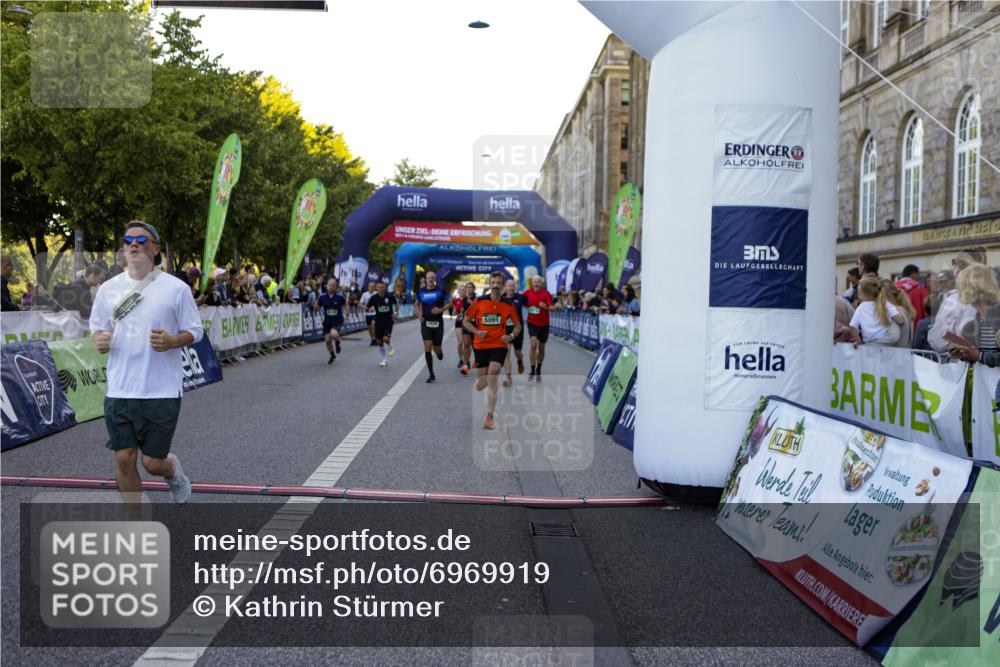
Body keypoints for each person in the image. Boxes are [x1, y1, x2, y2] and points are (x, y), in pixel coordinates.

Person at [89, 221, 202, 515]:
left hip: (161, 389)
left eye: (141, 239)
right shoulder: (107, 289)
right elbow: (98, 328)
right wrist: (99, 340)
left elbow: (196, 331)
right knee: (124, 459)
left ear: (155, 249)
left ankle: (172, 471)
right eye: (128, 240)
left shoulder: (176, 289)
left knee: (152, 463)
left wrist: (174, 340)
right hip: (120, 389)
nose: (133, 244)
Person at [464, 272, 521, 430]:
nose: (496, 286)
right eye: (493, 283)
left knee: (494, 373)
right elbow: (466, 321)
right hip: (481, 345)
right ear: (490, 284)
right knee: (483, 382)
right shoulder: (479, 302)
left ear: (502, 286)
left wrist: (510, 335)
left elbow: (518, 326)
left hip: (499, 344)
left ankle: (489, 416)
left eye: (498, 283)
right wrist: (476, 332)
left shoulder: (509, 305)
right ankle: (482, 381)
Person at [948, 264, 1000, 364]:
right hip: (985, 378)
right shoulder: (978, 318)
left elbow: (982, 356)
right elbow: (982, 356)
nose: (958, 292)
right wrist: (963, 353)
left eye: (961, 287)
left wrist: (980, 356)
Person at [928, 263, 977, 353]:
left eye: (944, 281)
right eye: (940, 282)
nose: (942, 284)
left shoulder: (954, 298)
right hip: (962, 352)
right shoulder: (940, 296)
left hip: (961, 354)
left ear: (952, 280)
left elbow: (938, 338)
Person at [849, 275, 906, 345]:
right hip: (889, 338)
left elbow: (852, 326)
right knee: (893, 323)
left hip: (870, 342)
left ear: (862, 294)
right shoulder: (884, 303)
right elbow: (900, 321)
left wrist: (858, 341)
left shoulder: (861, 307)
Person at [415, 270, 448, 383]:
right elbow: (417, 303)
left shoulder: (441, 290)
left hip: (438, 323)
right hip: (426, 322)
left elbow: (451, 302)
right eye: (428, 277)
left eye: (432, 278)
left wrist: (441, 309)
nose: (430, 280)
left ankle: (439, 352)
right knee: (427, 345)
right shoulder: (421, 291)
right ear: (426, 279)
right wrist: (419, 314)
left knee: (437, 347)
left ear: (435, 279)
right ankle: (431, 374)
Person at [523, 274, 554, 382]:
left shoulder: (546, 294)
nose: (536, 283)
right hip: (532, 323)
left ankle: (538, 369)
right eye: (535, 281)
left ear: (541, 283)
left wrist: (545, 306)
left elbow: (552, 307)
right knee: (533, 345)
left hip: (544, 324)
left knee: (541, 349)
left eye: (538, 281)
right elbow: (520, 302)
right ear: (532, 283)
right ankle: (532, 370)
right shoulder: (527, 293)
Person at [501, 278, 526, 386]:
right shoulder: (501, 299)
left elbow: (533, 305)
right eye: (509, 285)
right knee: (506, 353)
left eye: (513, 286)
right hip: (506, 329)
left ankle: (520, 361)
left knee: (518, 353)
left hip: (518, 329)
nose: (511, 287)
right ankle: (508, 378)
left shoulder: (520, 298)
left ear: (515, 287)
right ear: (505, 287)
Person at [366, 280, 398, 367]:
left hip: (388, 320)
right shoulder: (374, 297)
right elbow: (367, 306)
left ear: (385, 288)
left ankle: (389, 343)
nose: (381, 289)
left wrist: (395, 313)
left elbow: (396, 303)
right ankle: (384, 359)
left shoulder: (390, 296)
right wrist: (369, 309)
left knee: (385, 339)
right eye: (379, 287)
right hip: (378, 321)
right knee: (379, 341)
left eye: (382, 287)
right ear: (377, 288)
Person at [315, 277, 346, 364]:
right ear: (327, 286)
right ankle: (332, 355)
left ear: (336, 287)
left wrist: (347, 314)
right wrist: (314, 306)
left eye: (333, 285)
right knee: (327, 340)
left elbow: (346, 305)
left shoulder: (340, 297)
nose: (331, 287)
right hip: (327, 322)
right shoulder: (322, 297)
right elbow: (317, 307)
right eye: (330, 285)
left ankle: (337, 342)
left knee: (333, 333)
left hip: (338, 320)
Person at [881, 279, 915, 348]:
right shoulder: (904, 310)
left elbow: (891, 339)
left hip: (897, 356)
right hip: (905, 355)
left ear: (887, 296)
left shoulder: (895, 313)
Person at [458, 282, 478, 374]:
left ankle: (476, 360)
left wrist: (472, 303)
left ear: (473, 289)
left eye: (470, 287)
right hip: (466, 323)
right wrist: (460, 314)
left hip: (475, 324)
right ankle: (465, 366)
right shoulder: (464, 299)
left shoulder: (477, 299)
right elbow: (463, 309)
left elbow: (480, 309)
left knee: (475, 345)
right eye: (467, 287)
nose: (469, 289)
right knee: (466, 344)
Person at [361, 281, 377, 346]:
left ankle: (375, 338)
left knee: (373, 325)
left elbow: (380, 303)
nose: (371, 288)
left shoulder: (377, 294)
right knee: (370, 329)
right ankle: (373, 339)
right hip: (367, 314)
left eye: (372, 287)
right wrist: (365, 308)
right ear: (368, 287)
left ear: (374, 287)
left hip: (375, 314)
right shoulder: (364, 294)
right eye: (370, 286)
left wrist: (374, 308)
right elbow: (361, 304)